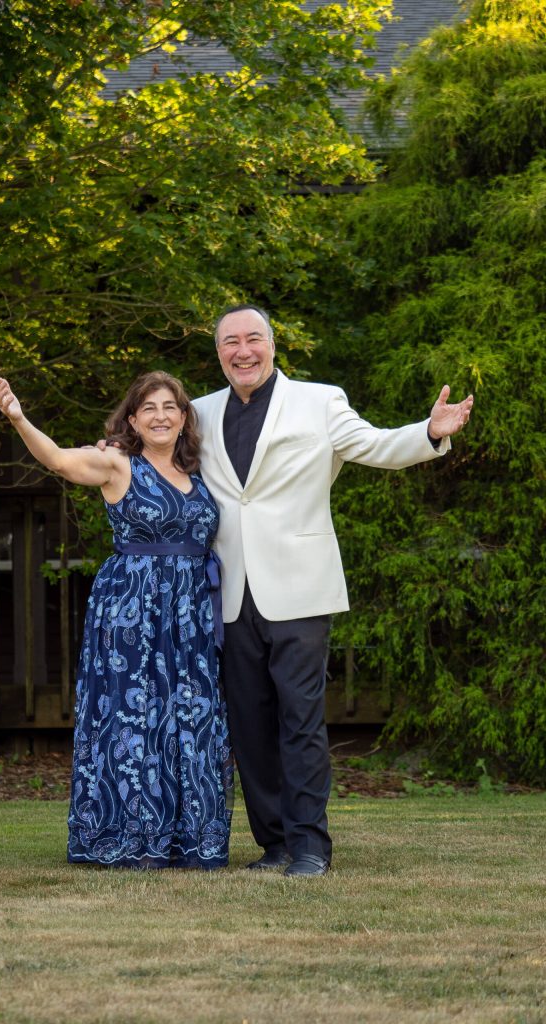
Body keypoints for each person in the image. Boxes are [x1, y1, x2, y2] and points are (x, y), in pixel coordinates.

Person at [192, 304, 474, 877]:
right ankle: (274, 844)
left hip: (301, 587)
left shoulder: (320, 401)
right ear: (217, 351)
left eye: (253, 338)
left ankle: (310, 847)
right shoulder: (198, 412)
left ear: (273, 345)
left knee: (300, 720)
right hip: (228, 594)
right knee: (249, 727)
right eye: (230, 342)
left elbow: (376, 445)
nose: (243, 351)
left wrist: (428, 433)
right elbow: (159, 461)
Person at [0, 372, 233, 869]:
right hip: (133, 613)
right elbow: (58, 460)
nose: (160, 416)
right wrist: (18, 419)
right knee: (133, 717)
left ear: (184, 418)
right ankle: (129, 838)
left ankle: (188, 840)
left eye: (170, 407)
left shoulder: (202, 472)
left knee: (189, 717)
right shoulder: (118, 464)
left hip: (189, 614)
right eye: (149, 408)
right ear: (133, 420)